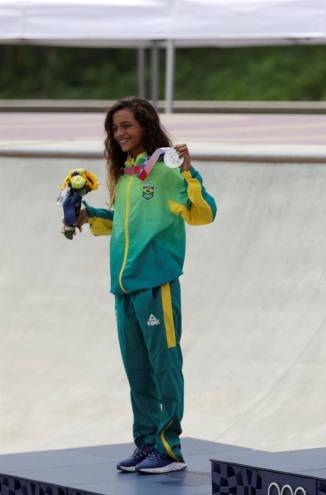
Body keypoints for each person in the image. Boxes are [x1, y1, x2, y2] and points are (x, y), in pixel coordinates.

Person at [75, 96, 217, 474]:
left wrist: (190, 172)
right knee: (137, 370)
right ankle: (146, 442)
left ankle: (169, 449)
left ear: (146, 127)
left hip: (157, 284)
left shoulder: (166, 171)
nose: (119, 133)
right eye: (114, 128)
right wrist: (89, 216)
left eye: (126, 126)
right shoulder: (126, 176)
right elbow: (122, 223)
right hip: (125, 289)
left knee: (164, 366)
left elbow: (204, 214)